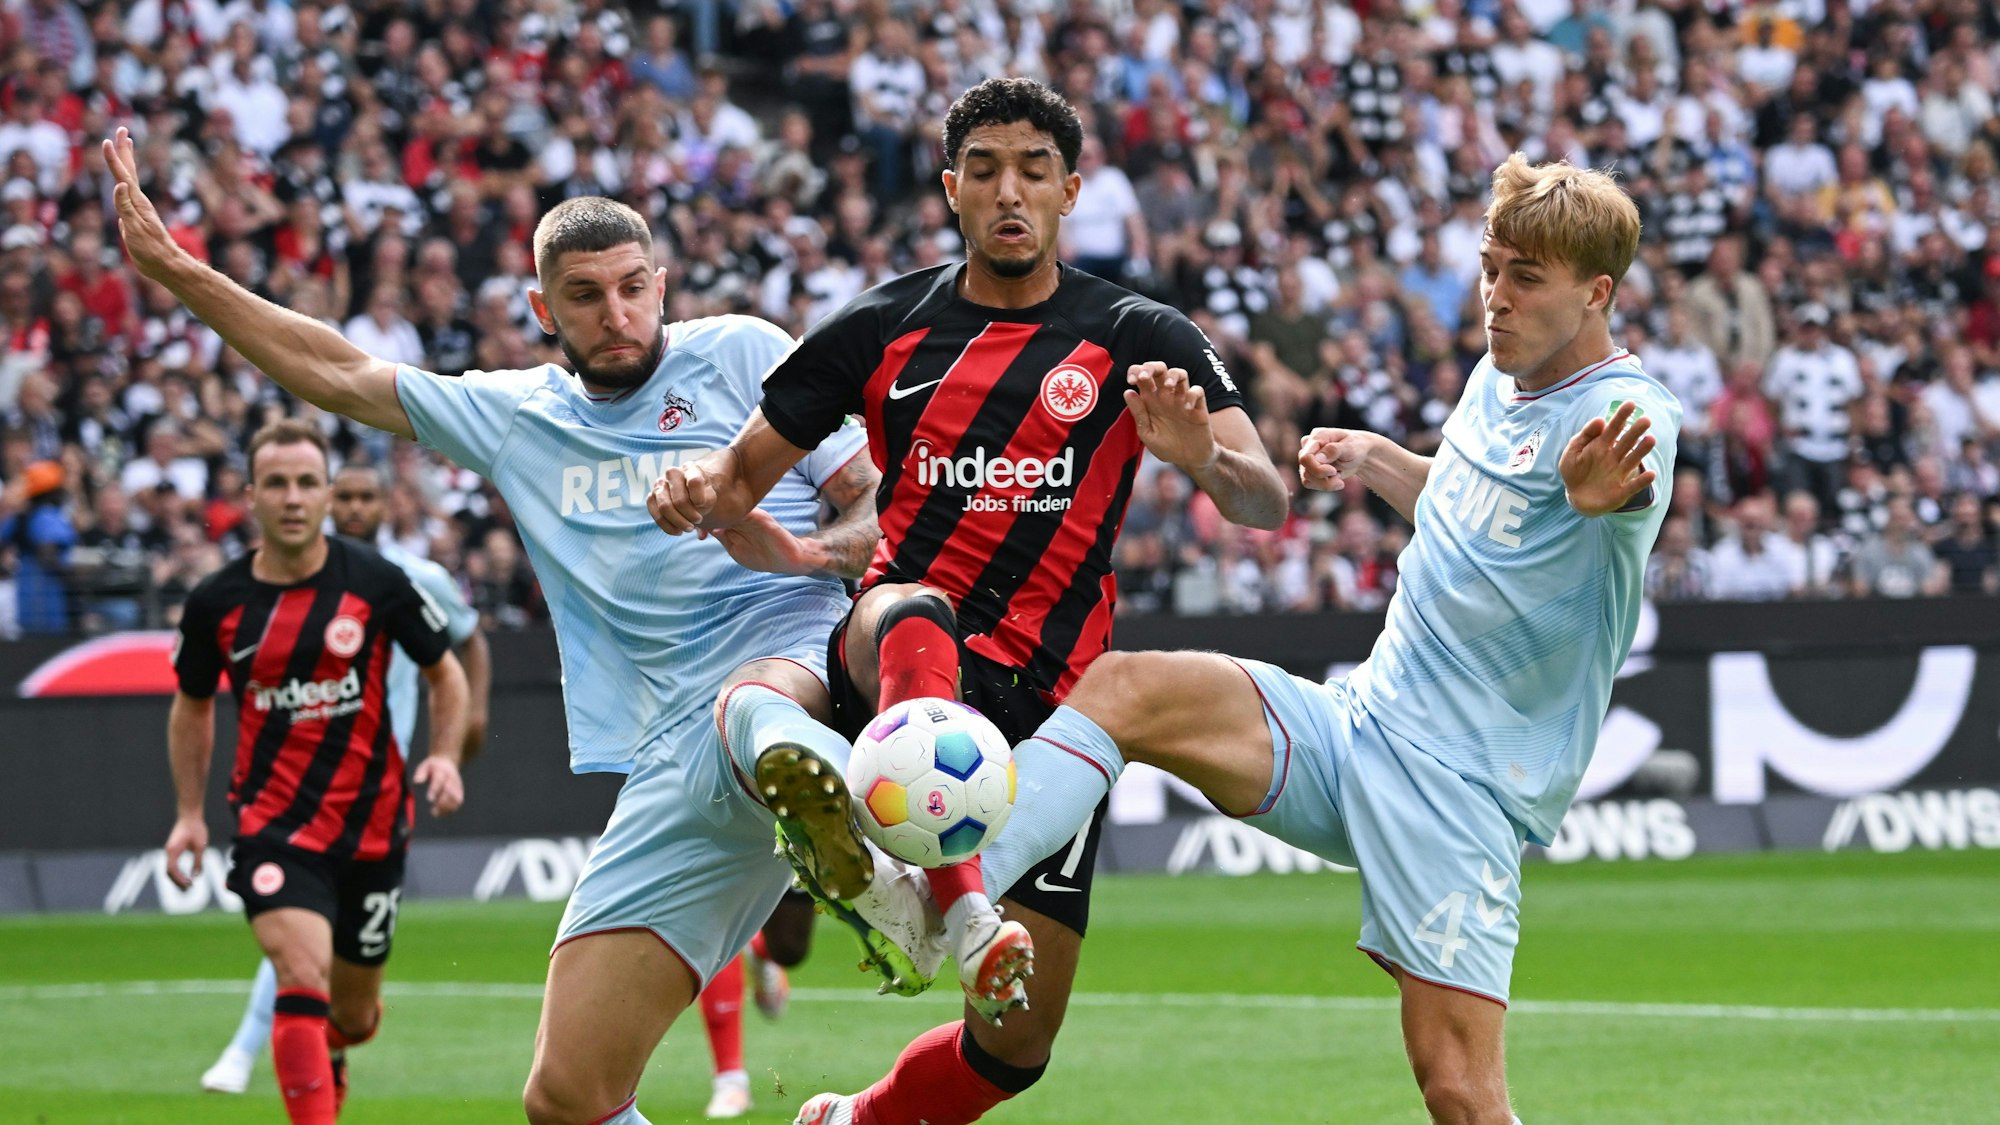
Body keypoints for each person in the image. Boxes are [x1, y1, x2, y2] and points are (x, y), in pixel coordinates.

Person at [107, 128, 916, 1125]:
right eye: (585, 295)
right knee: (566, 1095)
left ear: (662, 284)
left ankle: (899, 875)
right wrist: (183, 274)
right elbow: (339, 373)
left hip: (795, 667)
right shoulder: (516, 415)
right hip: (670, 757)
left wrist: (798, 555)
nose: (616, 314)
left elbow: (887, 511)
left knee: (760, 705)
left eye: (632, 286)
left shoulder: (743, 352)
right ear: (543, 310)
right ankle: (836, 843)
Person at [868, 154, 1679, 1123]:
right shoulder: (1494, 377)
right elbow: (1476, 514)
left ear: (1595, 293)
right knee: (1126, 687)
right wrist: (1378, 459)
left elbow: (1617, 494)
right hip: (1360, 726)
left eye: (1524, 278)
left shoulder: (1621, 415)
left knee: (1459, 1092)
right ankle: (940, 900)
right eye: (1489, 267)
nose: (1493, 298)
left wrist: (1607, 509)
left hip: (1461, 787)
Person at [647, 77, 1289, 1125]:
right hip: (897, 651)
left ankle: (853, 1117)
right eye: (983, 169)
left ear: (1070, 189)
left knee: (1015, 1048)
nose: (1008, 190)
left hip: (1051, 710)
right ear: (949, 187)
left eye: (1033, 170)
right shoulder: (880, 328)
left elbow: (1264, 498)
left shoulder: (1137, 332)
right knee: (912, 609)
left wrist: (1200, 458)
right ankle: (952, 906)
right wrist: (691, 490)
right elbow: (739, 475)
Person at [164, 419, 472, 1124]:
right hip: (274, 826)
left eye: (307, 482)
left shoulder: (377, 582)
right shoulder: (218, 601)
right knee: (299, 979)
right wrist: (188, 813)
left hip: (372, 826)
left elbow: (445, 672)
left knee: (352, 1017)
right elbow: (191, 706)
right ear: (251, 496)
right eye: (276, 483)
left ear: (329, 493)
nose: (293, 497)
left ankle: (328, 1048)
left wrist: (446, 756)